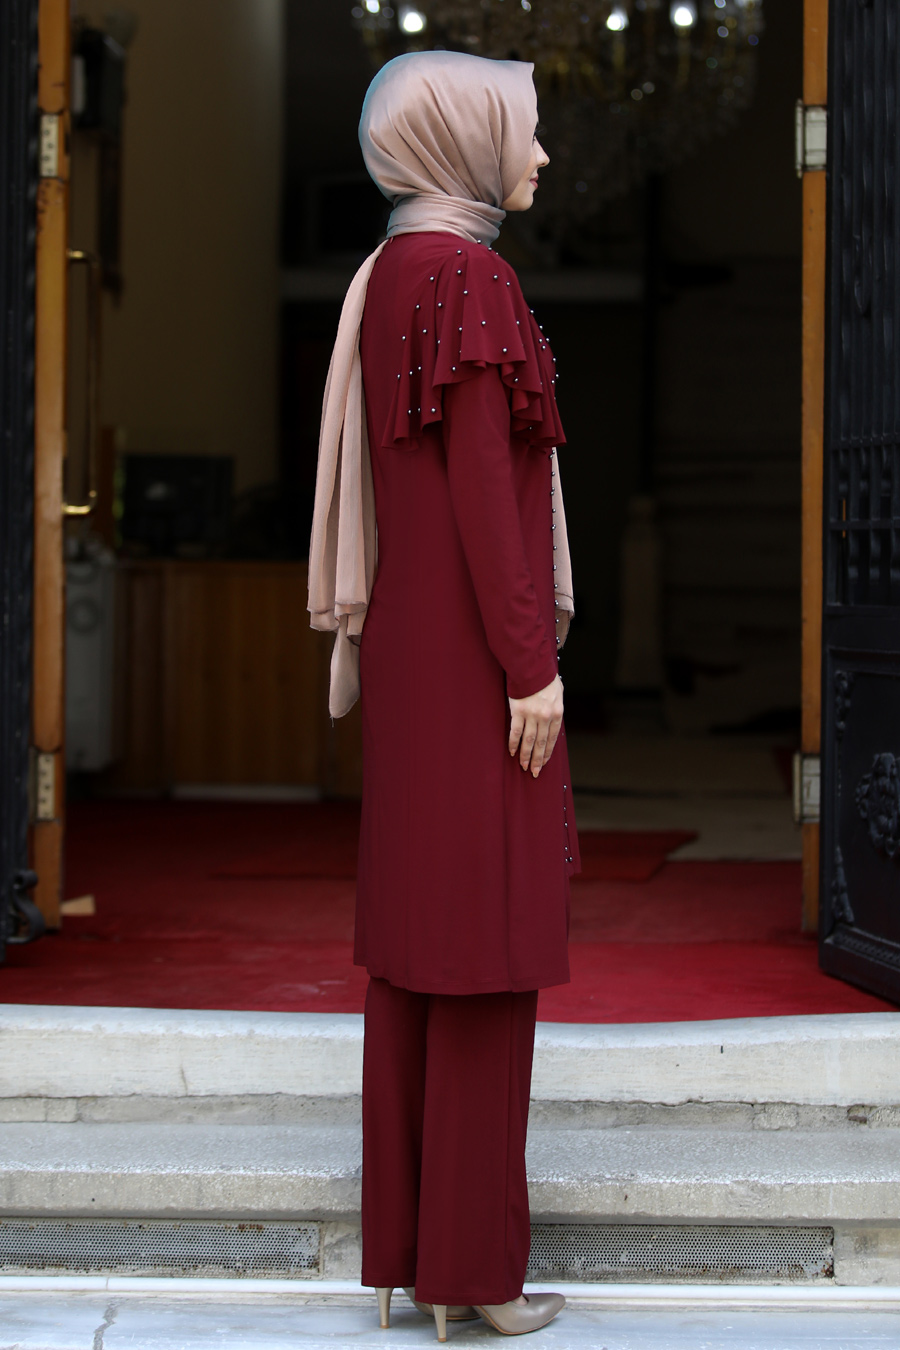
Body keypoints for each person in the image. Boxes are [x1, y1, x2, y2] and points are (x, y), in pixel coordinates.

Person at [308, 49, 580, 1341]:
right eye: (523, 136)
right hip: (477, 665)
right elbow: (484, 492)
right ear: (466, 143)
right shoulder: (469, 279)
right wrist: (534, 664)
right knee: (485, 952)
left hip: (419, 664)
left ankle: (418, 1257)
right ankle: (473, 1275)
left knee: (420, 953)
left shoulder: (388, 277)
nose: (536, 159)